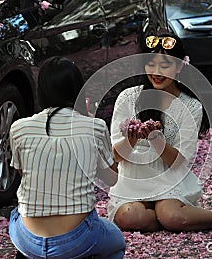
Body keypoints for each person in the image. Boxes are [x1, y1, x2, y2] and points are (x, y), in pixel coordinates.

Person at [107, 33, 212, 232]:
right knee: (131, 217)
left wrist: (157, 141)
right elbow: (114, 157)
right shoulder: (127, 98)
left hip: (169, 182)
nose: (157, 72)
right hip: (133, 183)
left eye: (165, 65)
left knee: (173, 217)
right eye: (151, 64)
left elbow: (180, 162)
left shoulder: (191, 106)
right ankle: (165, 218)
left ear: (180, 66)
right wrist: (130, 141)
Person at [8, 57, 126, 258]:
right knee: (116, 243)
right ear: (79, 90)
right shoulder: (94, 127)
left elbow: (24, 173)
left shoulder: (19, 128)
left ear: (41, 91)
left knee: (15, 214)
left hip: (28, 239)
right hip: (76, 239)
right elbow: (111, 180)